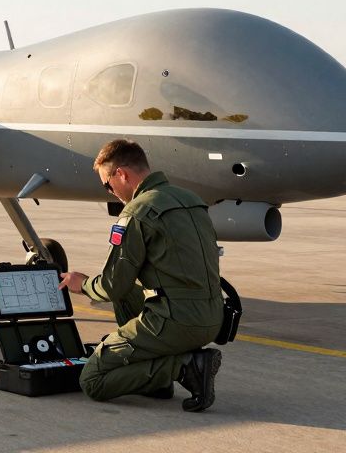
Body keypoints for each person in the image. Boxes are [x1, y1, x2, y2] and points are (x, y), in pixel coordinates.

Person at [59, 139, 224, 411]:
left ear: (122, 174)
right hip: (212, 317)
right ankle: (157, 382)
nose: (110, 192)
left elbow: (112, 285)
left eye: (107, 184)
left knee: (92, 380)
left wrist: (83, 284)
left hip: (176, 322)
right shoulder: (191, 200)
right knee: (127, 296)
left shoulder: (138, 211)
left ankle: (185, 366)